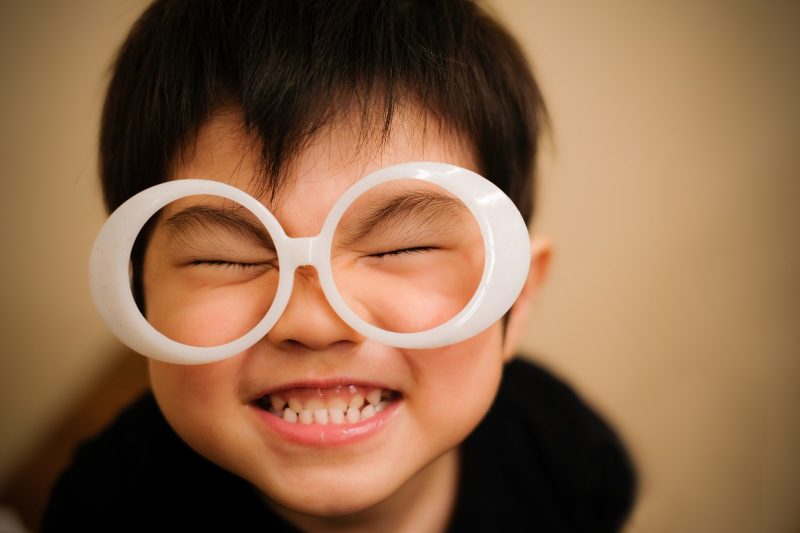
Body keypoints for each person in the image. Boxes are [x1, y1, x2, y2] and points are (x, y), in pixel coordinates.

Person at [44, 1, 636, 531]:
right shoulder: (101, 507)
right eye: (224, 258)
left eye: (400, 248)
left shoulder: (564, 452)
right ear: (139, 300)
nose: (314, 322)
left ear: (519, 294)